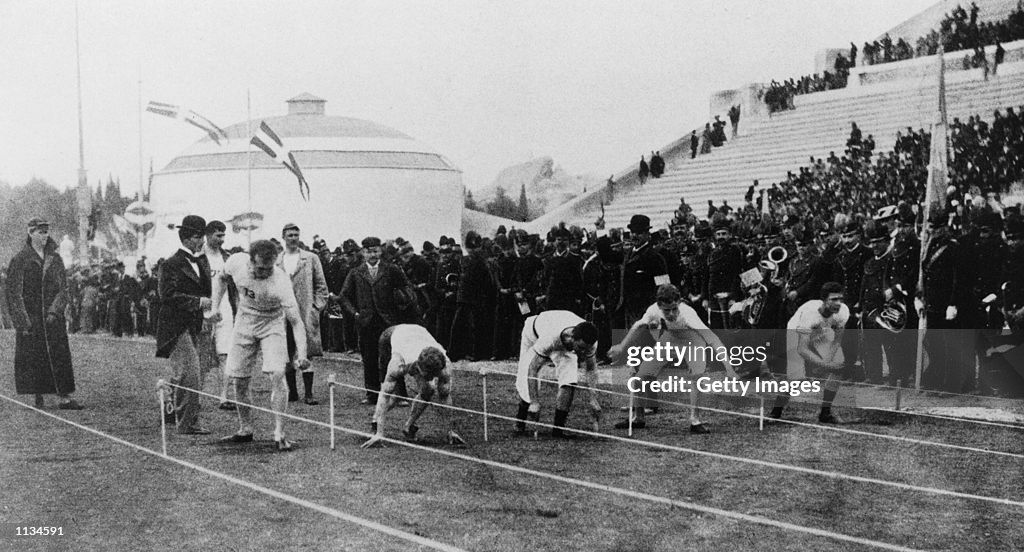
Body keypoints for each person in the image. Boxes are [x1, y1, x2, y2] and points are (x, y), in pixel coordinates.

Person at [211, 240, 309, 451]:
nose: (264, 272)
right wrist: (214, 307)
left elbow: (296, 322)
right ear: (250, 260)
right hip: (245, 320)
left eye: (269, 268)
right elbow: (220, 279)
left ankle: (279, 432)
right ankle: (245, 428)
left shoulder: (280, 283)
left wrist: (302, 354)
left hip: (272, 323)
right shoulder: (237, 262)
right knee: (239, 378)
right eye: (260, 268)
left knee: (276, 373)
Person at [610, 284, 735, 433]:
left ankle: (695, 421)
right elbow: (638, 326)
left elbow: (713, 339)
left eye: (674, 309)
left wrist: (729, 368)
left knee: (697, 375)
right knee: (640, 377)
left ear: (679, 302)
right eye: (666, 310)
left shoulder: (688, 315)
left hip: (693, 341)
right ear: (659, 306)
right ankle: (638, 418)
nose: (671, 314)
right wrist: (621, 346)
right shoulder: (653, 310)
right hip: (670, 339)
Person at [4, 217, 82, 410]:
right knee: (34, 356)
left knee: (59, 355)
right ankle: (38, 393)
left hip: (52, 317)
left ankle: (64, 396)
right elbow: (14, 292)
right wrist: (23, 321)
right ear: (30, 233)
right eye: (40, 232)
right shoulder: (20, 259)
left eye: (46, 232)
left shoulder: (55, 259)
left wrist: (55, 311)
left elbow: (63, 288)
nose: (45, 236)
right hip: (32, 317)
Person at [361, 324, 465, 448]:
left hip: (418, 332)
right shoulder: (398, 364)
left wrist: (449, 431)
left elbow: (444, 395)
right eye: (427, 375)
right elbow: (385, 394)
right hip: (390, 336)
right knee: (394, 397)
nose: (431, 378)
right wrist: (380, 434)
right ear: (418, 367)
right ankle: (375, 422)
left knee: (429, 389)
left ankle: (408, 426)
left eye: (434, 375)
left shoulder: (445, 366)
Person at [340, 236, 415, 405]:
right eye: (368, 251)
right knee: (369, 358)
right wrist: (356, 314)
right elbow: (344, 297)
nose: (372, 255)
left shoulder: (392, 269)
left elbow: (407, 288)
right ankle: (372, 394)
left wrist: (401, 301)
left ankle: (400, 395)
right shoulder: (356, 272)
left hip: (388, 321)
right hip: (366, 322)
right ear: (363, 253)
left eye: (375, 251)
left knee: (394, 357)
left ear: (380, 251)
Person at [155, 215, 213, 434]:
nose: (202, 242)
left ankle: (170, 409)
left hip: (195, 324)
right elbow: (167, 295)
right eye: (199, 238)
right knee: (190, 374)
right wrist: (197, 302)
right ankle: (187, 424)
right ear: (189, 238)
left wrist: (206, 313)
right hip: (175, 327)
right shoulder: (169, 264)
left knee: (188, 373)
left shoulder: (202, 261)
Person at [513, 311, 601, 438]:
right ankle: (520, 422)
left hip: (564, 342)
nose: (583, 352)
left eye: (586, 349)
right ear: (572, 338)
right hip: (533, 334)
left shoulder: (590, 342)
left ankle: (558, 429)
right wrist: (534, 402)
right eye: (581, 348)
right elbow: (533, 368)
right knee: (525, 372)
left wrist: (593, 399)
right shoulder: (550, 337)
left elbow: (591, 369)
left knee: (569, 378)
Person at [770, 281, 849, 423]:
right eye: (833, 299)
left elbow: (837, 340)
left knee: (838, 365)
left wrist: (827, 362)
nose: (838, 303)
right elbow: (802, 349)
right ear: (824, 301)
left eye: (840, 299)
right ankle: (776, 413)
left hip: (821, 330)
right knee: (796, 378)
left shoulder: (843, 312)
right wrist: (826, 366)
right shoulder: (810, 314)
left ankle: (825, 413)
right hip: (796, 331)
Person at [278, 223, 329, 405]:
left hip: (305, 312)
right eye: (290, 235)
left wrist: (316, 308)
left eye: (296, 235)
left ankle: (309, 393)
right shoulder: (277, 260)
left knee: (306, 352)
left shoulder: (310, 258)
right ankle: (292, 392)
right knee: (286, 351)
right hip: (283, 314)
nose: (293, 238)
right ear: (283, 237)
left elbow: (322, 287)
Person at [202, 220, 237, 410]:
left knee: (225, 353)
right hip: (204, 307)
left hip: (224, 308)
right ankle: (195, 397)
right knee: (202, 354)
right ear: (208, 235)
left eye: (224, 235)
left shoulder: (227, 257)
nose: (222, 239)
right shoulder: (199, 257)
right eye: (218, 235)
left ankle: (224, 396)